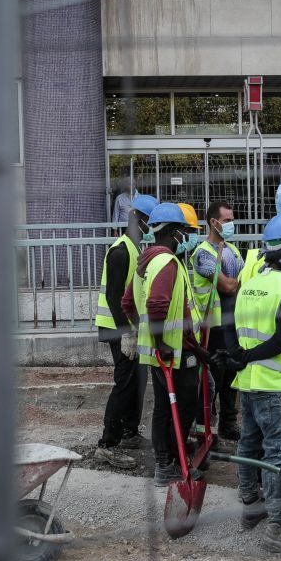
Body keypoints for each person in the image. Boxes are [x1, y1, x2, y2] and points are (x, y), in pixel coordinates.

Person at [214, 214, 281, 560]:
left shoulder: (250, 284)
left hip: (250, 383)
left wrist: (236, 356)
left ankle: (249, 504)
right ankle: (275, 524)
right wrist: (244, 356)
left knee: (248, 442)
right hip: (275, 384)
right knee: (276, 455)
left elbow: (229, 321)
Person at [122, 203, 204, 486]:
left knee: (162, 409)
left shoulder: (145, 261)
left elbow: (128, 303)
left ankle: (164, 464)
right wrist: (161, 342)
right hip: (173, 353)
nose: (185, 235)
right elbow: (157, 304)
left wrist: (143, 333)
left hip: (164, 352)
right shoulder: (167, 262)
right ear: (171, 231)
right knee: (182, 410)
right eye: (182, 230)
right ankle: (174, 463)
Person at [93, 194, 158, 469]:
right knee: (124, 383)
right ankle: (107, 444)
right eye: (147, 221)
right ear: (135, 219)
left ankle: (130, 432)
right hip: (116, 328)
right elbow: (114, 298)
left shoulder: (137, 249)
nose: (149, 227)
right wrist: (127, 334)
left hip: (130, 328)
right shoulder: (120, 251)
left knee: (137, 380)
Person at [192, 202, 244, 441]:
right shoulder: (203, 253)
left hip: (233, 325)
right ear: (213, 222)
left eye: (232, 219)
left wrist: (235, 284)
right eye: (226, 221)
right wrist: (236, 283)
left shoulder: (232, 250)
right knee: (213, 380)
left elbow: (242, 283)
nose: (231, 224)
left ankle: (228, 423)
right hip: (212, 328)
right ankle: (204, 430)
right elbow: (228, 285)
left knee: (231, 379)